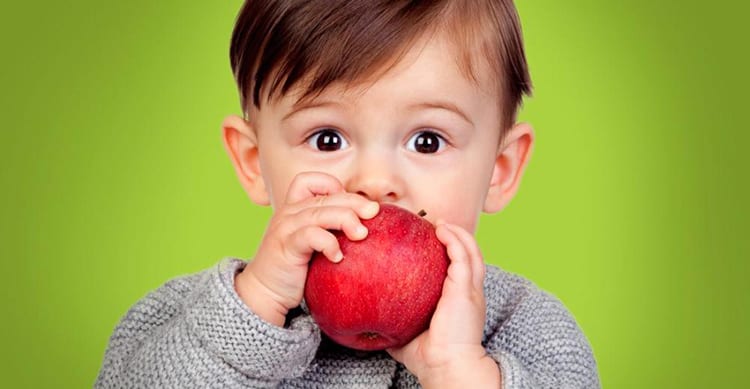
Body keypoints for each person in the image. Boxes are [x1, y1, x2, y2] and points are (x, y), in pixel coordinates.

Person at [95, 0, 600, 387]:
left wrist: (461, 372)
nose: (375, 182)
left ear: (500, 169)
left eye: (427, 140)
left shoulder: (534, 333)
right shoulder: (194, 318)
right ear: (253, 162)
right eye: (327, 139)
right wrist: (260, 303)